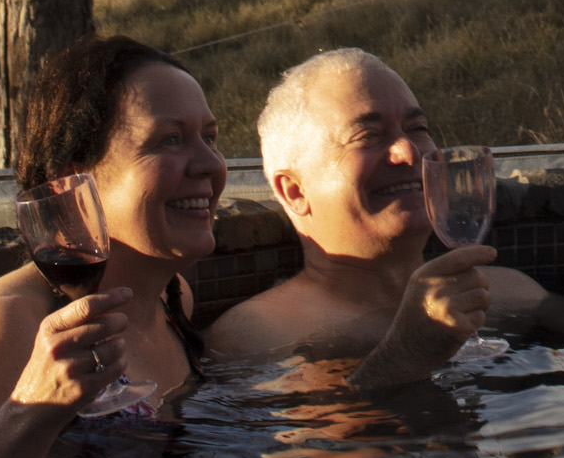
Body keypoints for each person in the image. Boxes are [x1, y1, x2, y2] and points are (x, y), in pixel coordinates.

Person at [0, 35, 226, 458]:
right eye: (169, 140)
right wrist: (30, 410)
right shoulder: (3, 330)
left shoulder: (172, 298)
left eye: (210, 137)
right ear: (74, 181)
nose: (210, 164)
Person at [208, 46, 545, 387]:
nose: (408, 152)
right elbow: (314, 438)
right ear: (295, 191)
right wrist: (407, 353)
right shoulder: (259, 338)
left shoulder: (512, 294)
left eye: (417, 128)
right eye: (368, 136)